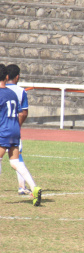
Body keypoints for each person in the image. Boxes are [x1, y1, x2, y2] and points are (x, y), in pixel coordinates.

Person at [0, 64, 41, 206]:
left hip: (3, 130)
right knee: (15, 162)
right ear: (6, 77)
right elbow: (21, 112)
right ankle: (34, 187)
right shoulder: (12, 93)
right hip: (15, 130)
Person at [6, 64, 35, 196]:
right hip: (12, 129)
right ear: (17, 76)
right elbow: (23, 113)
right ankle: (23, 186)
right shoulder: (21, 91)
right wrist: (16, 125)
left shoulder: (2, 89)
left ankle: (24, 186)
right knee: (17, 157)